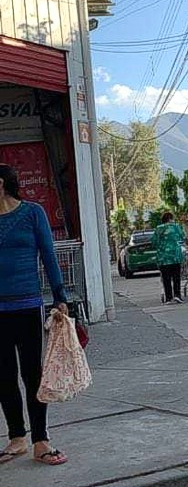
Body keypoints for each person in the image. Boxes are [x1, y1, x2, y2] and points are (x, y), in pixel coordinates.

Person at [0, 164, 69, 466]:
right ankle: (16, 438)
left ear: (1, 184)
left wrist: (60, 297)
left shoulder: (32, 213)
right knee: (2, 377)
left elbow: (48, 255)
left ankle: (40, 440)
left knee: (32, 375)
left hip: (27, 305)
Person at [152, 211, 186, 303]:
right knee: (176, 277)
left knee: (166, 279)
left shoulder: (158, 229)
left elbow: (153, 242)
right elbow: (183, 237)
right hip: (175, 256)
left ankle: (168, 298)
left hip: (163, 258)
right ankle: (177, 295)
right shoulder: (176, 227)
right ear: (170, 219)